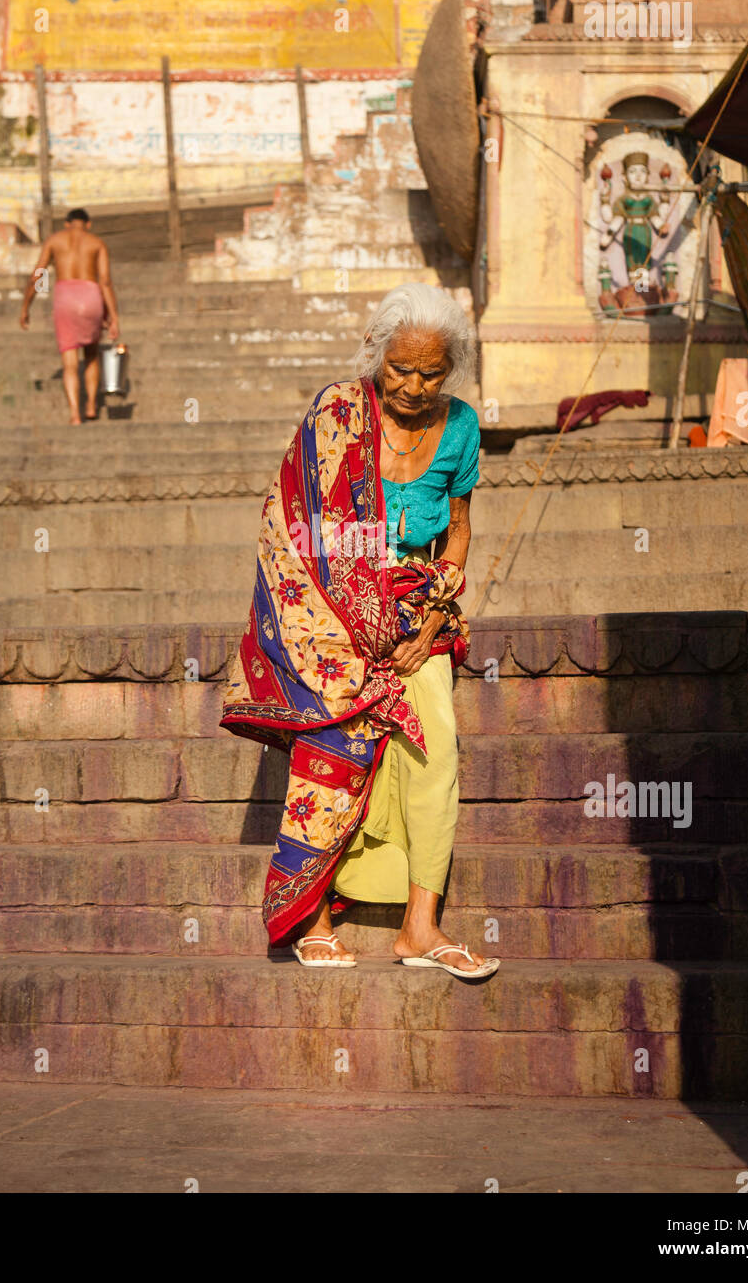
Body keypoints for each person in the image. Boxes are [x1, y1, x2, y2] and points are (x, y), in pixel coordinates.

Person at [221, 283, 499, 980]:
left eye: (431, 372)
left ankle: (420, 927)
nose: (412, 385)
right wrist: (353, 617)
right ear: (377, 355)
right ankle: (311, 919)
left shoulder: (461, 427)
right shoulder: (338, 412)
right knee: (327, 740)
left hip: (416, 608)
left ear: (451, 368)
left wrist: (436, 609)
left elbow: (458, 532)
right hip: (325, 608)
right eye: (400, 368)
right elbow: (296, 523)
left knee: (435, 756)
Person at [19, 207, 120, 425]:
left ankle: (75, 414)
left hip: (65, 298)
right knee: (91, 355)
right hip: (90, 296)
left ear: (67, 223)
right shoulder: (96, 243)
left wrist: (26, 306)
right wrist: (114, 316)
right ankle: (92, 404)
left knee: (69, 361)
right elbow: (105, 281)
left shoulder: (55, 240)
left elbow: (38, 274)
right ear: (88, 223)